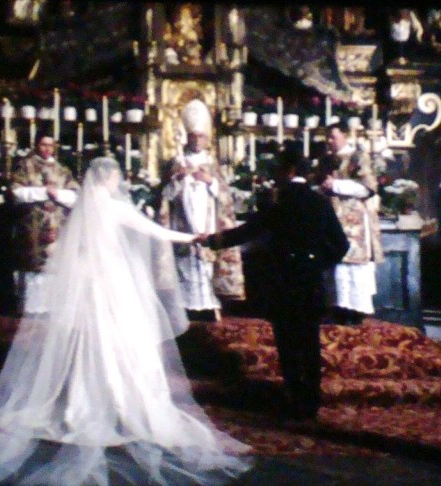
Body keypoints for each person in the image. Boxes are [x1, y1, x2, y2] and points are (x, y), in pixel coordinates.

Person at [0, 157, 253, 485]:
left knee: (87, 338)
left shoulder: (82, 205)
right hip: (113, 282)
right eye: (117, 177)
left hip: (86, 284)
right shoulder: (115, 207)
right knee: (122, 340)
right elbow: (154, 231)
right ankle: (120, 402)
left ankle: (81, 400)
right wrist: (196, 238)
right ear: (109, 177)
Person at [197, 148, 348, 420]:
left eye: (279, 169)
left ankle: (295, 398)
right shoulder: (320, 202)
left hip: (283, 283)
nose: (275, 175)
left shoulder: (280, 202)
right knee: (310, 342)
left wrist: (212, 241)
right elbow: (341, 244)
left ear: (289, 171)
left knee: (288, 344)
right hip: (311, 283)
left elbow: (248, 231)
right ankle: (311, 400)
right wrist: (316, 265)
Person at [158, 99, 245, 321]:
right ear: (187, 137)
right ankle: (185, 310)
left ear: (208, 139)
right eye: (193, 136)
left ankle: (208, 309)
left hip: (208, 225)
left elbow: (225, 197)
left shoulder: (213, 165)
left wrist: (210, 182)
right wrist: (178, 180)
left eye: (201, 136)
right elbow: (165, 197)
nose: (197, 141)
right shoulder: (176, 163)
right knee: (185, 270)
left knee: (206, 271)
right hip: (183, 225)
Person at [320, 120, 384, 325]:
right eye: (328, 137)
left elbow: (368, 187)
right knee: (336, 266)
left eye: (334, 137)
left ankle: (356, 311)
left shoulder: (358, 157)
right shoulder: (326, 160)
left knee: (353, 266)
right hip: (332, 217)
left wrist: (336, 185)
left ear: (345, 136)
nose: (330, 141)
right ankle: (339, 307)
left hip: (354, 219)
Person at [11, 134, 79, 315]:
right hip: (33, 224)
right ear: (36, 145)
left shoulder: (62, 169)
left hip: (58, 224)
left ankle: (53, 309)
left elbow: (74, 195)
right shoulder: (25, 166)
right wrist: (43, 192)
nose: (47, 149)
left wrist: (57, 195)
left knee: (55, 266)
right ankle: (31, 310)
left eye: (51, 145)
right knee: (34, 267)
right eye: (43, 144)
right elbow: (16, 192)